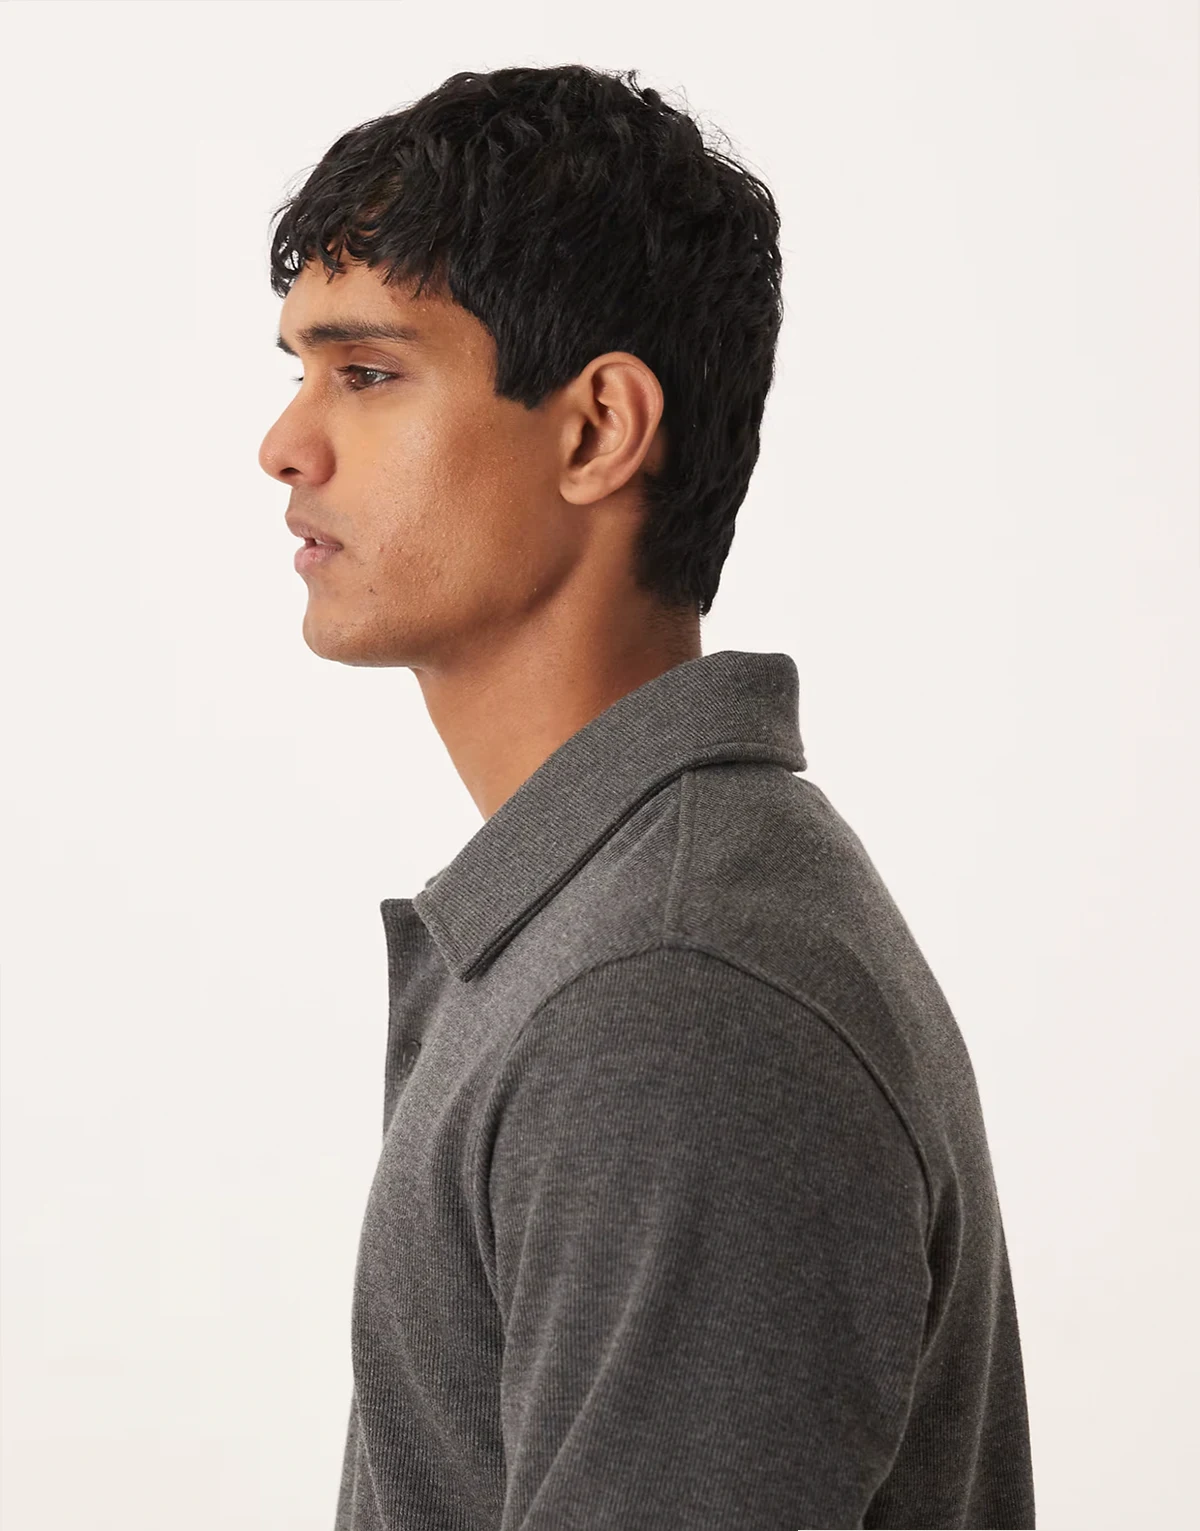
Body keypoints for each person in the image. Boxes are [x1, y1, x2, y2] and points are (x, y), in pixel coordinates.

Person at [258, 63, 1035, 1531]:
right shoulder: (620, 922)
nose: (285, 444)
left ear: (598, 428)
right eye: (296, 370)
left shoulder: (666, 994)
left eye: (366, 373)